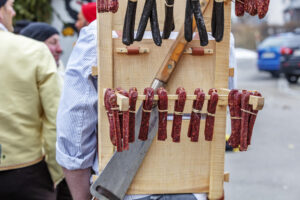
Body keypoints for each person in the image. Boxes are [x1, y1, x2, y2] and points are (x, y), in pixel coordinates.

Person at [56, 20, 209, 200]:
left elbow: (75, 128)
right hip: (193, 190)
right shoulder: (215, 28)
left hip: (119, 190)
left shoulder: (100, 32)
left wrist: (81, 196)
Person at [0, 0, 63, 199]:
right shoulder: (33, 50)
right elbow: (56, 118)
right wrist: (57, 173)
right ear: (1, 12)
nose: (13, 13)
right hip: (26, 172)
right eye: (10, 6)